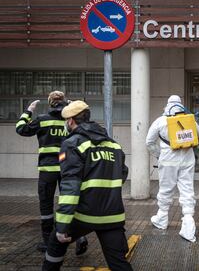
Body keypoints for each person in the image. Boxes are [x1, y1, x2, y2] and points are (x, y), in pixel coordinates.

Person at [42, 100, 132, 271]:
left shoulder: (72, 144)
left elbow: (70, 188)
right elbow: (122, 174)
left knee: (55, 244)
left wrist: (61, 226)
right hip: (113, 217)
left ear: (70, 121)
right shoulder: (114, 145)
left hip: (83, 216)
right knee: (119, 264)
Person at [15, 91, 88, 254]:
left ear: (50, 103)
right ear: (64, 102)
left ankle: (48, 243)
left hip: (47, 170)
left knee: (46, 206)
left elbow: (20, 129)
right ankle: (80, 238)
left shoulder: (42, 119)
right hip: (67, 170)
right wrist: (72, 106)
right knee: (70, 203)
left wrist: (28, 111)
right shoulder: (71, 119)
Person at [146, 95, 199, 242]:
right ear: (180, 105)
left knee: (166, 189)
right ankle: (188, 222)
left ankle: (162, 218)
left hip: (168, 160)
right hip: (188, 159)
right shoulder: (189, 119)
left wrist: (159, 154)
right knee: (187, 189)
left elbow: (149, 141)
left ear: (167, 105)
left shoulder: (160, 121)